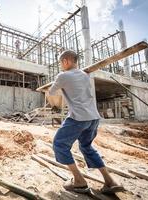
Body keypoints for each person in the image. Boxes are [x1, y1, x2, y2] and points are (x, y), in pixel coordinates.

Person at [48, 50, 124, 194]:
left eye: (61, 63)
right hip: (93, 117)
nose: (61, 66)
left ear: (66, 61)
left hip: (78, 117)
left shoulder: (63, 76)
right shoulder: (85, 75)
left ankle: (79, 181)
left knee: (59, 144)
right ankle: (110, 181)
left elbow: (51, 92)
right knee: (86, 147)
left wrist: (57, 84)